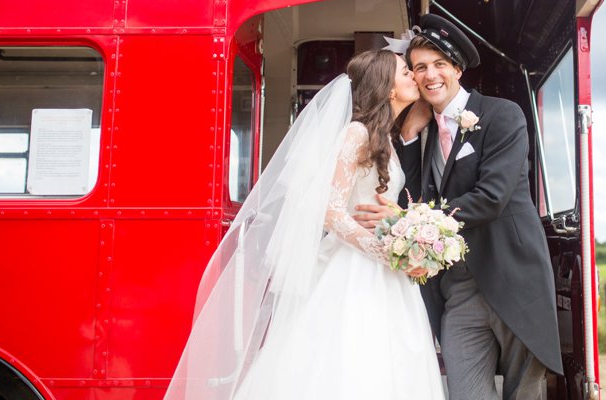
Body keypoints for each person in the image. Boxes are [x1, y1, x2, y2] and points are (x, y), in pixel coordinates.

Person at [165, 50, 444, 400]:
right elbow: (330, 210)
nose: (414, 78)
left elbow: (376, 205)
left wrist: (402, 231)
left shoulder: (385, 137)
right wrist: (384, 250)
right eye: (406, 71)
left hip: (387, 271)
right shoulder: (356, 133)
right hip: (356, 268)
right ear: (388, 86)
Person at [356, 14, 562, 400]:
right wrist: (410, 134)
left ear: (457, 69)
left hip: (514, 280)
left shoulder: (503, 115)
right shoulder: (422, 134)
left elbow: (492, 197)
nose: (430, 75)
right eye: (419, 68)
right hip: (458, 290)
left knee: (525, 394)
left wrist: (407, 220)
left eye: (439, 64)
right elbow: (412, 199)